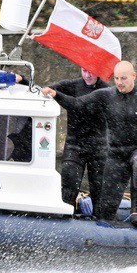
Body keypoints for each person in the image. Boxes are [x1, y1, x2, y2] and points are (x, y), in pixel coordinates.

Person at [42, 61, 137, 227]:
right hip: (116, 154)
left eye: (124, 78)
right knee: (104, 211)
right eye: (117, 78)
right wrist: (56, 94)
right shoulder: (105, 95)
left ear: (134, 76)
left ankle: (136, 211)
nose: (119, 82)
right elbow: (76, 105)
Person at [49, 68, 109, 209]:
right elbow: (43, 90)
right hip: (75, 146)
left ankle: (100, 220)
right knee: (69, 188)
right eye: (84, 71)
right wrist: (23, 79)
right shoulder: (73, 85)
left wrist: (57, 95)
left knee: (99, 191)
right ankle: (65, 218)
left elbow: (77, 105)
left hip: (99, 148)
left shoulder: (107, 91)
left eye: (92, 72)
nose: (87, 75)